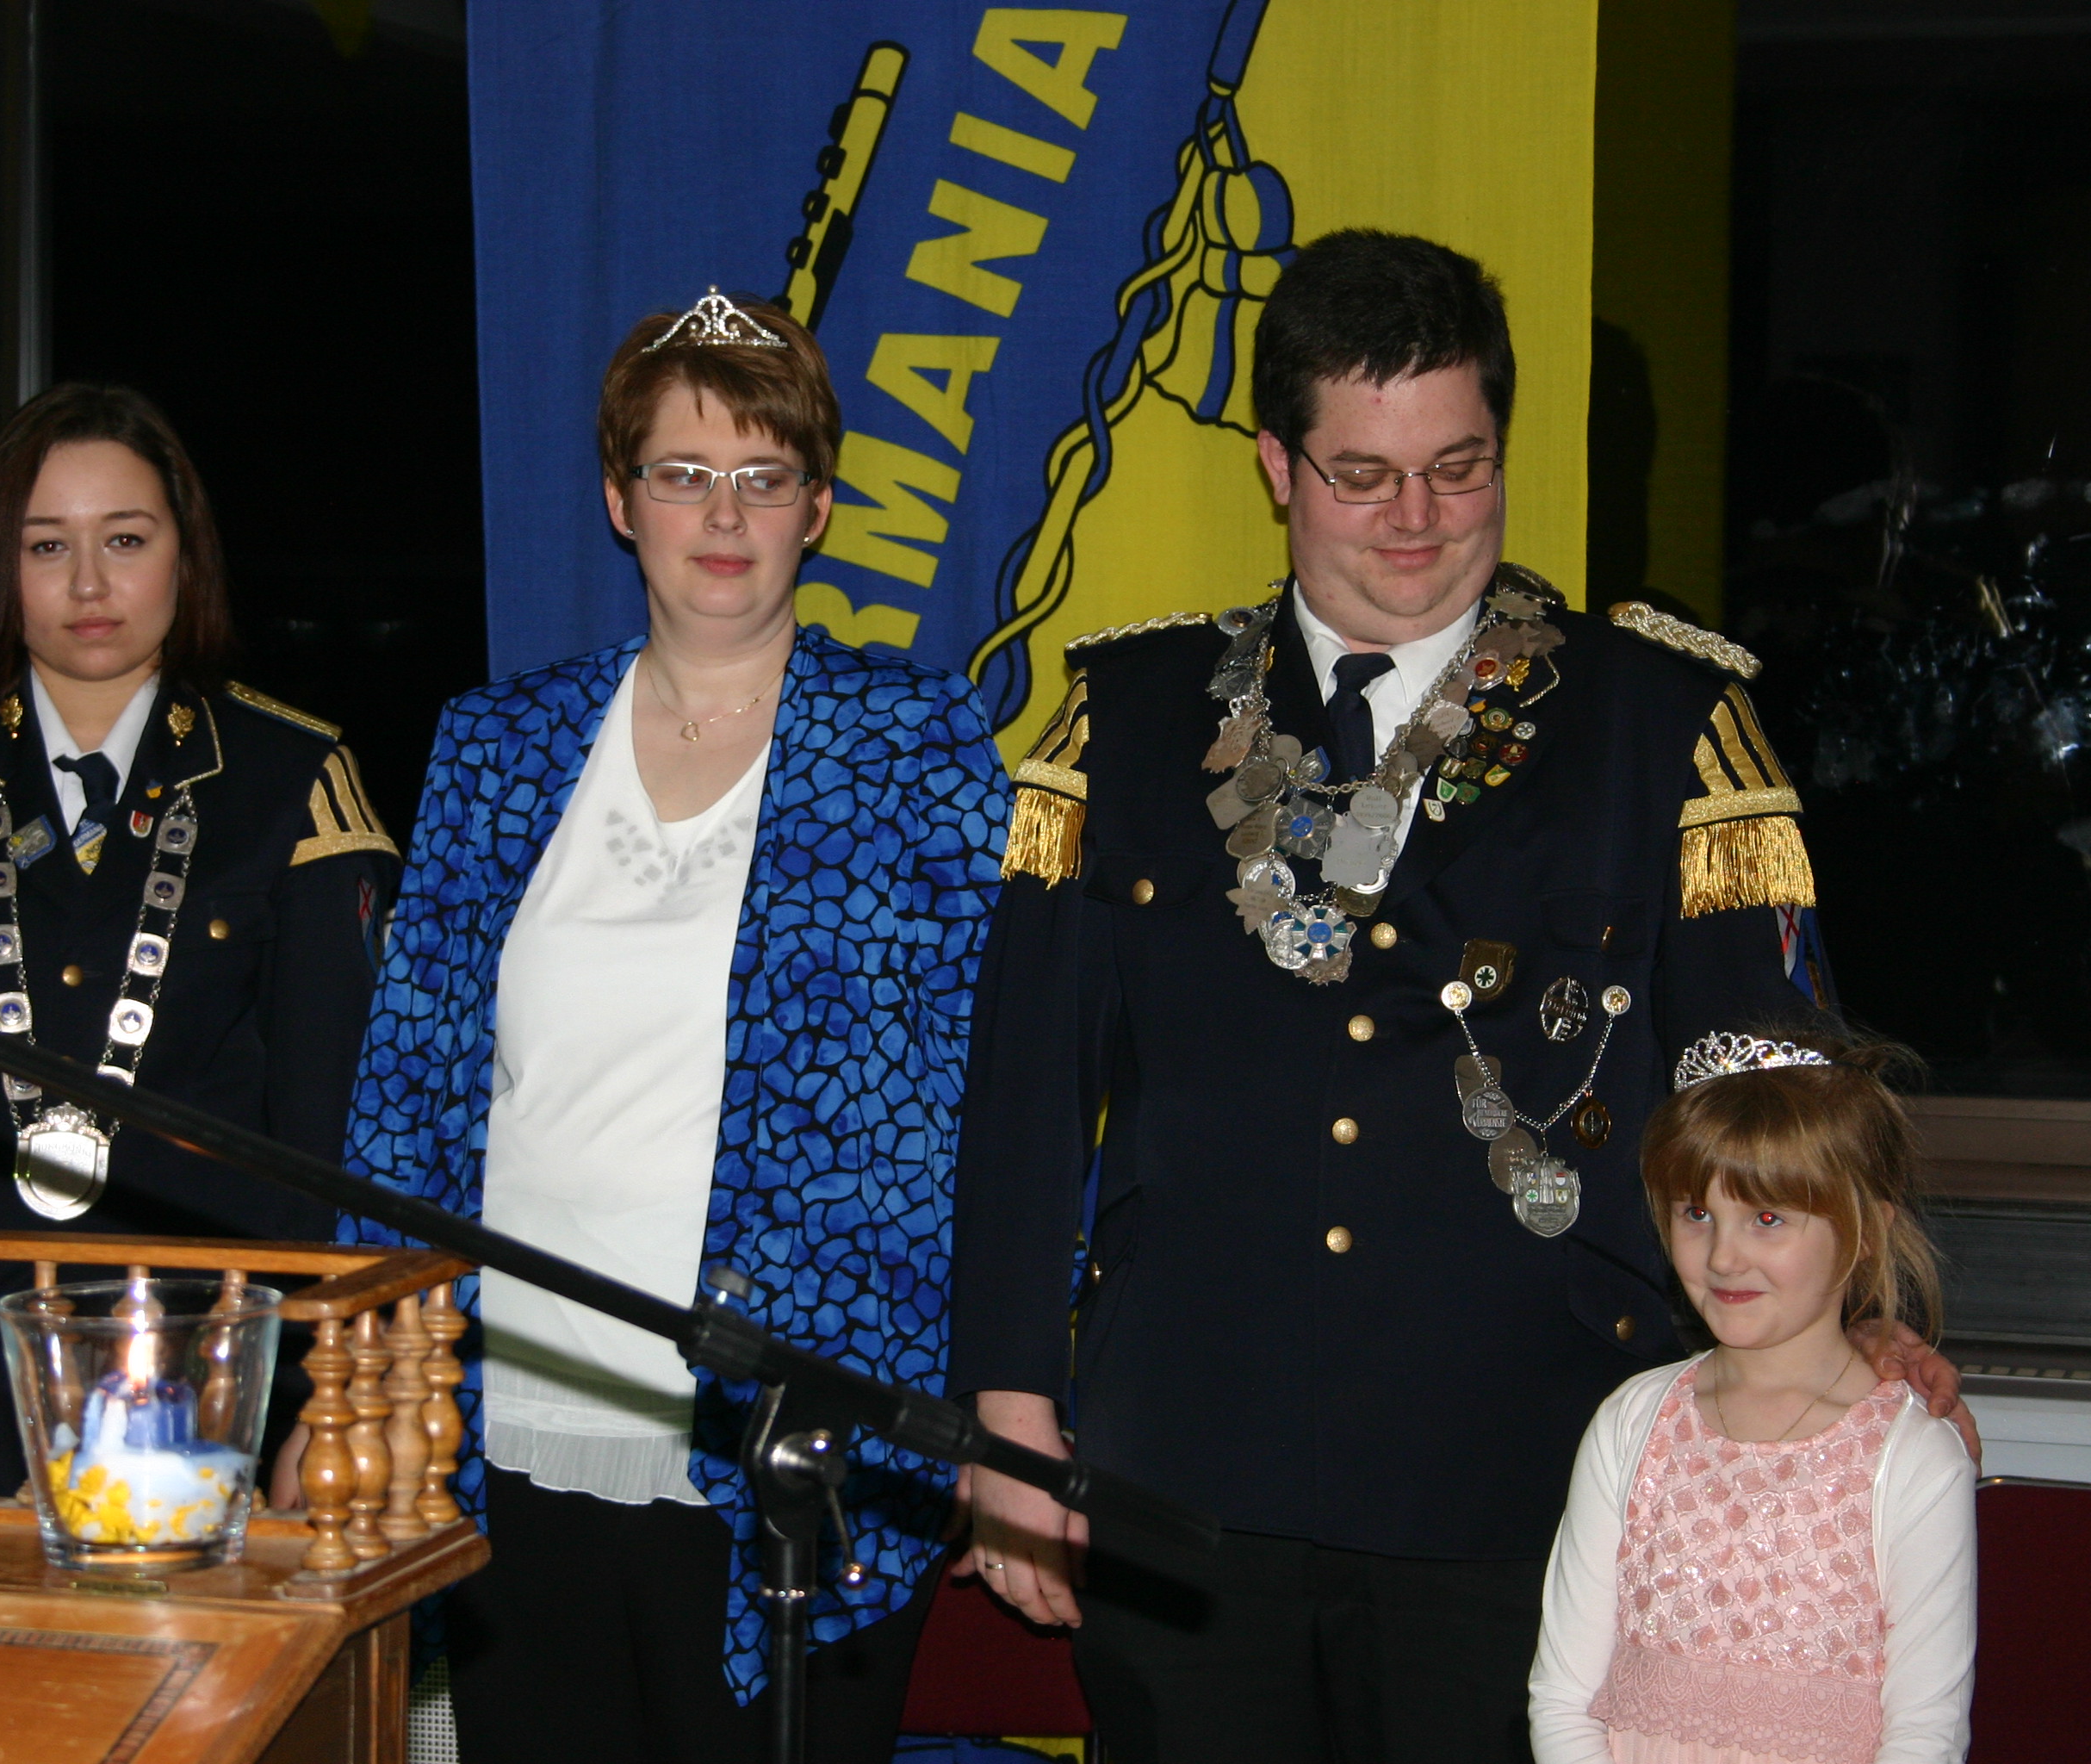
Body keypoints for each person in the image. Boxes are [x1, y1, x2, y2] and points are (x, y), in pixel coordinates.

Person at [946, 231, 1970, 1761]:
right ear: (1277, 466)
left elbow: (1779, 1095)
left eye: (1457, 467)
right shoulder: (1127, 722)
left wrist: (1862, 1329)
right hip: (1188, 1466)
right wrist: (1006, 1406)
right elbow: (1025, 1099)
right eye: (1363, 475)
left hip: (1529, 1478)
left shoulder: (1663, 724)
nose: (1416, 519)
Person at [343, 289, 1009, 1764]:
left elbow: (993, 1096)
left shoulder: (918, 745)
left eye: (764, 476)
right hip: (516, 1410)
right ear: (617, 498)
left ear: (817, 508)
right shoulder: (496, 745)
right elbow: (405, 1095)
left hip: (802, 1428)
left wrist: (996, 1391)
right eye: (682, 472)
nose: (722, 514)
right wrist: (371, 1374)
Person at [0, 382, 399, 1491]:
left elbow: (329, 1140)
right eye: (46, 545)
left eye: (126, 539)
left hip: (202, 1370)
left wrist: (326, 1395)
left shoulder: (290, 776)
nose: (90, 585)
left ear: (185, 555)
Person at [1529, 1031, 1976, 1762]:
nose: (1724, 1255)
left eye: (1768, 1219)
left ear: (1866, 1230)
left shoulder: (1914, 1459)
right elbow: (1563, 1697)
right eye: (1695, 1214)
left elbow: (1925, 1734)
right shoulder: (1633, 1422)